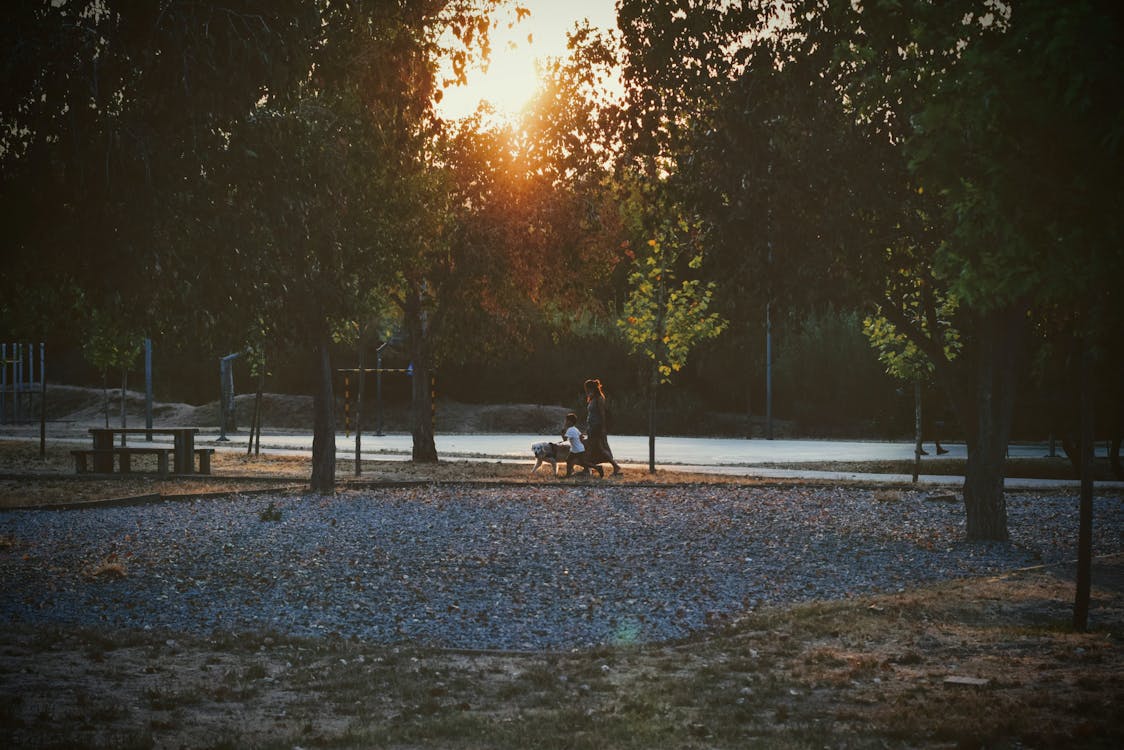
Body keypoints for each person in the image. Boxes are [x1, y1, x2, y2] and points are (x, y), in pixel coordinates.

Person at [584, 378, 622, 475]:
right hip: (591, 427)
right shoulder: (592, 398)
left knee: (597, 448)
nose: (586, 390)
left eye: (587, 388)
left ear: (591, 388)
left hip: (596, 427)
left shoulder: (599, 399)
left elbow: (602, 414)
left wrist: (603, 428)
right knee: (593, 448)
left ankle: (615, 466)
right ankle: (588, 469)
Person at [562, 412, 603, 477]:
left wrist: (563, 430)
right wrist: (578, 441)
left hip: (577, 450)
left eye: (566, 421)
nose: (566, 422)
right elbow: (581, 436)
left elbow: (564, 439)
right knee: (569, 460)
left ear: (570, 422)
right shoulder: (575, 428)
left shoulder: (570, 430)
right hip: (576, 449)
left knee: (584, 462)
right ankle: (568, 475)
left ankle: (598, 468)